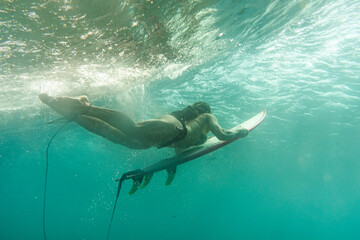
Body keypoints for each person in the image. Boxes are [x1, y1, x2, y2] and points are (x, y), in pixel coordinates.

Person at [39, 93, 248, 152]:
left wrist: (171, 167)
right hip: (170, 129)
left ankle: (70, 113)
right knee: (132, 129)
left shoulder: (194, 126)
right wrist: (240, 131)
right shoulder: (208, 118)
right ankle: (87, 108)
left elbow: (180, 151)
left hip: (166, 136)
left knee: (122, 139)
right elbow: (222, 135)